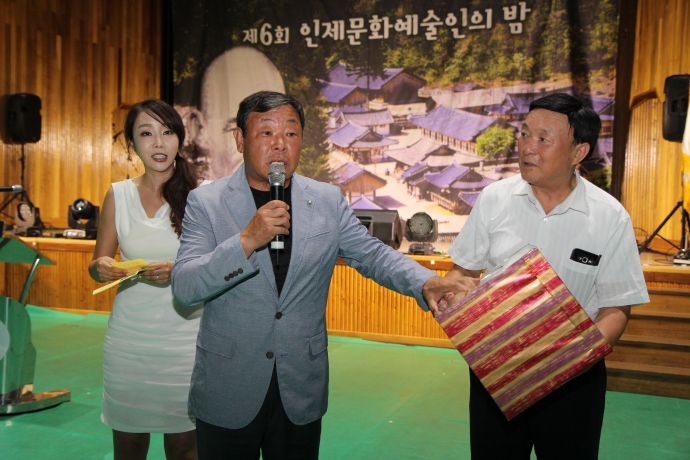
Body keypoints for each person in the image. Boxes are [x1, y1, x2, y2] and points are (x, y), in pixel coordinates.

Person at [171, 91, 474, 459]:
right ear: (239, 139)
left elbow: (373, 255)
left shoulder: (327, 200)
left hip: (300, 384)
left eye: (291, 133)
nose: (280, 144)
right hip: (228, 384)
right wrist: (246, 241)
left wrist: (426, 281)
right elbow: (185, 286)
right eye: (266, 132)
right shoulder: (206, 202)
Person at [444, 93, 650, 459]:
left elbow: (616, 308)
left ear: (578, 152)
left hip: (574, 380)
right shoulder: (494, 199)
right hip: (498, 371)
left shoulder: (609, 216)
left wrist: (566, 363)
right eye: (524, 134)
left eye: (543, 138)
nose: (527, 147)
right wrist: (460, 309)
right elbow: (461, 272)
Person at [88, 99, 203, 460]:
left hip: (186, 340)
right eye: (146, 133)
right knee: (128, 445)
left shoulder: (203, 194)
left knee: (184, 447)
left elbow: (218, 266)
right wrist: (103, 265)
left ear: (179, 138)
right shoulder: (118, 194)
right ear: (132, 143)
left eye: (167, 132)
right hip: (129, 340)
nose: (158, 143)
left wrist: (178, 271)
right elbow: (97, 262)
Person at [177, 46, 285, 180]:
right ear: (199, 130)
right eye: (234, 129)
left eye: (268, 131)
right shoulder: (198, 194)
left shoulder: (302, 192)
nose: (258, 147)